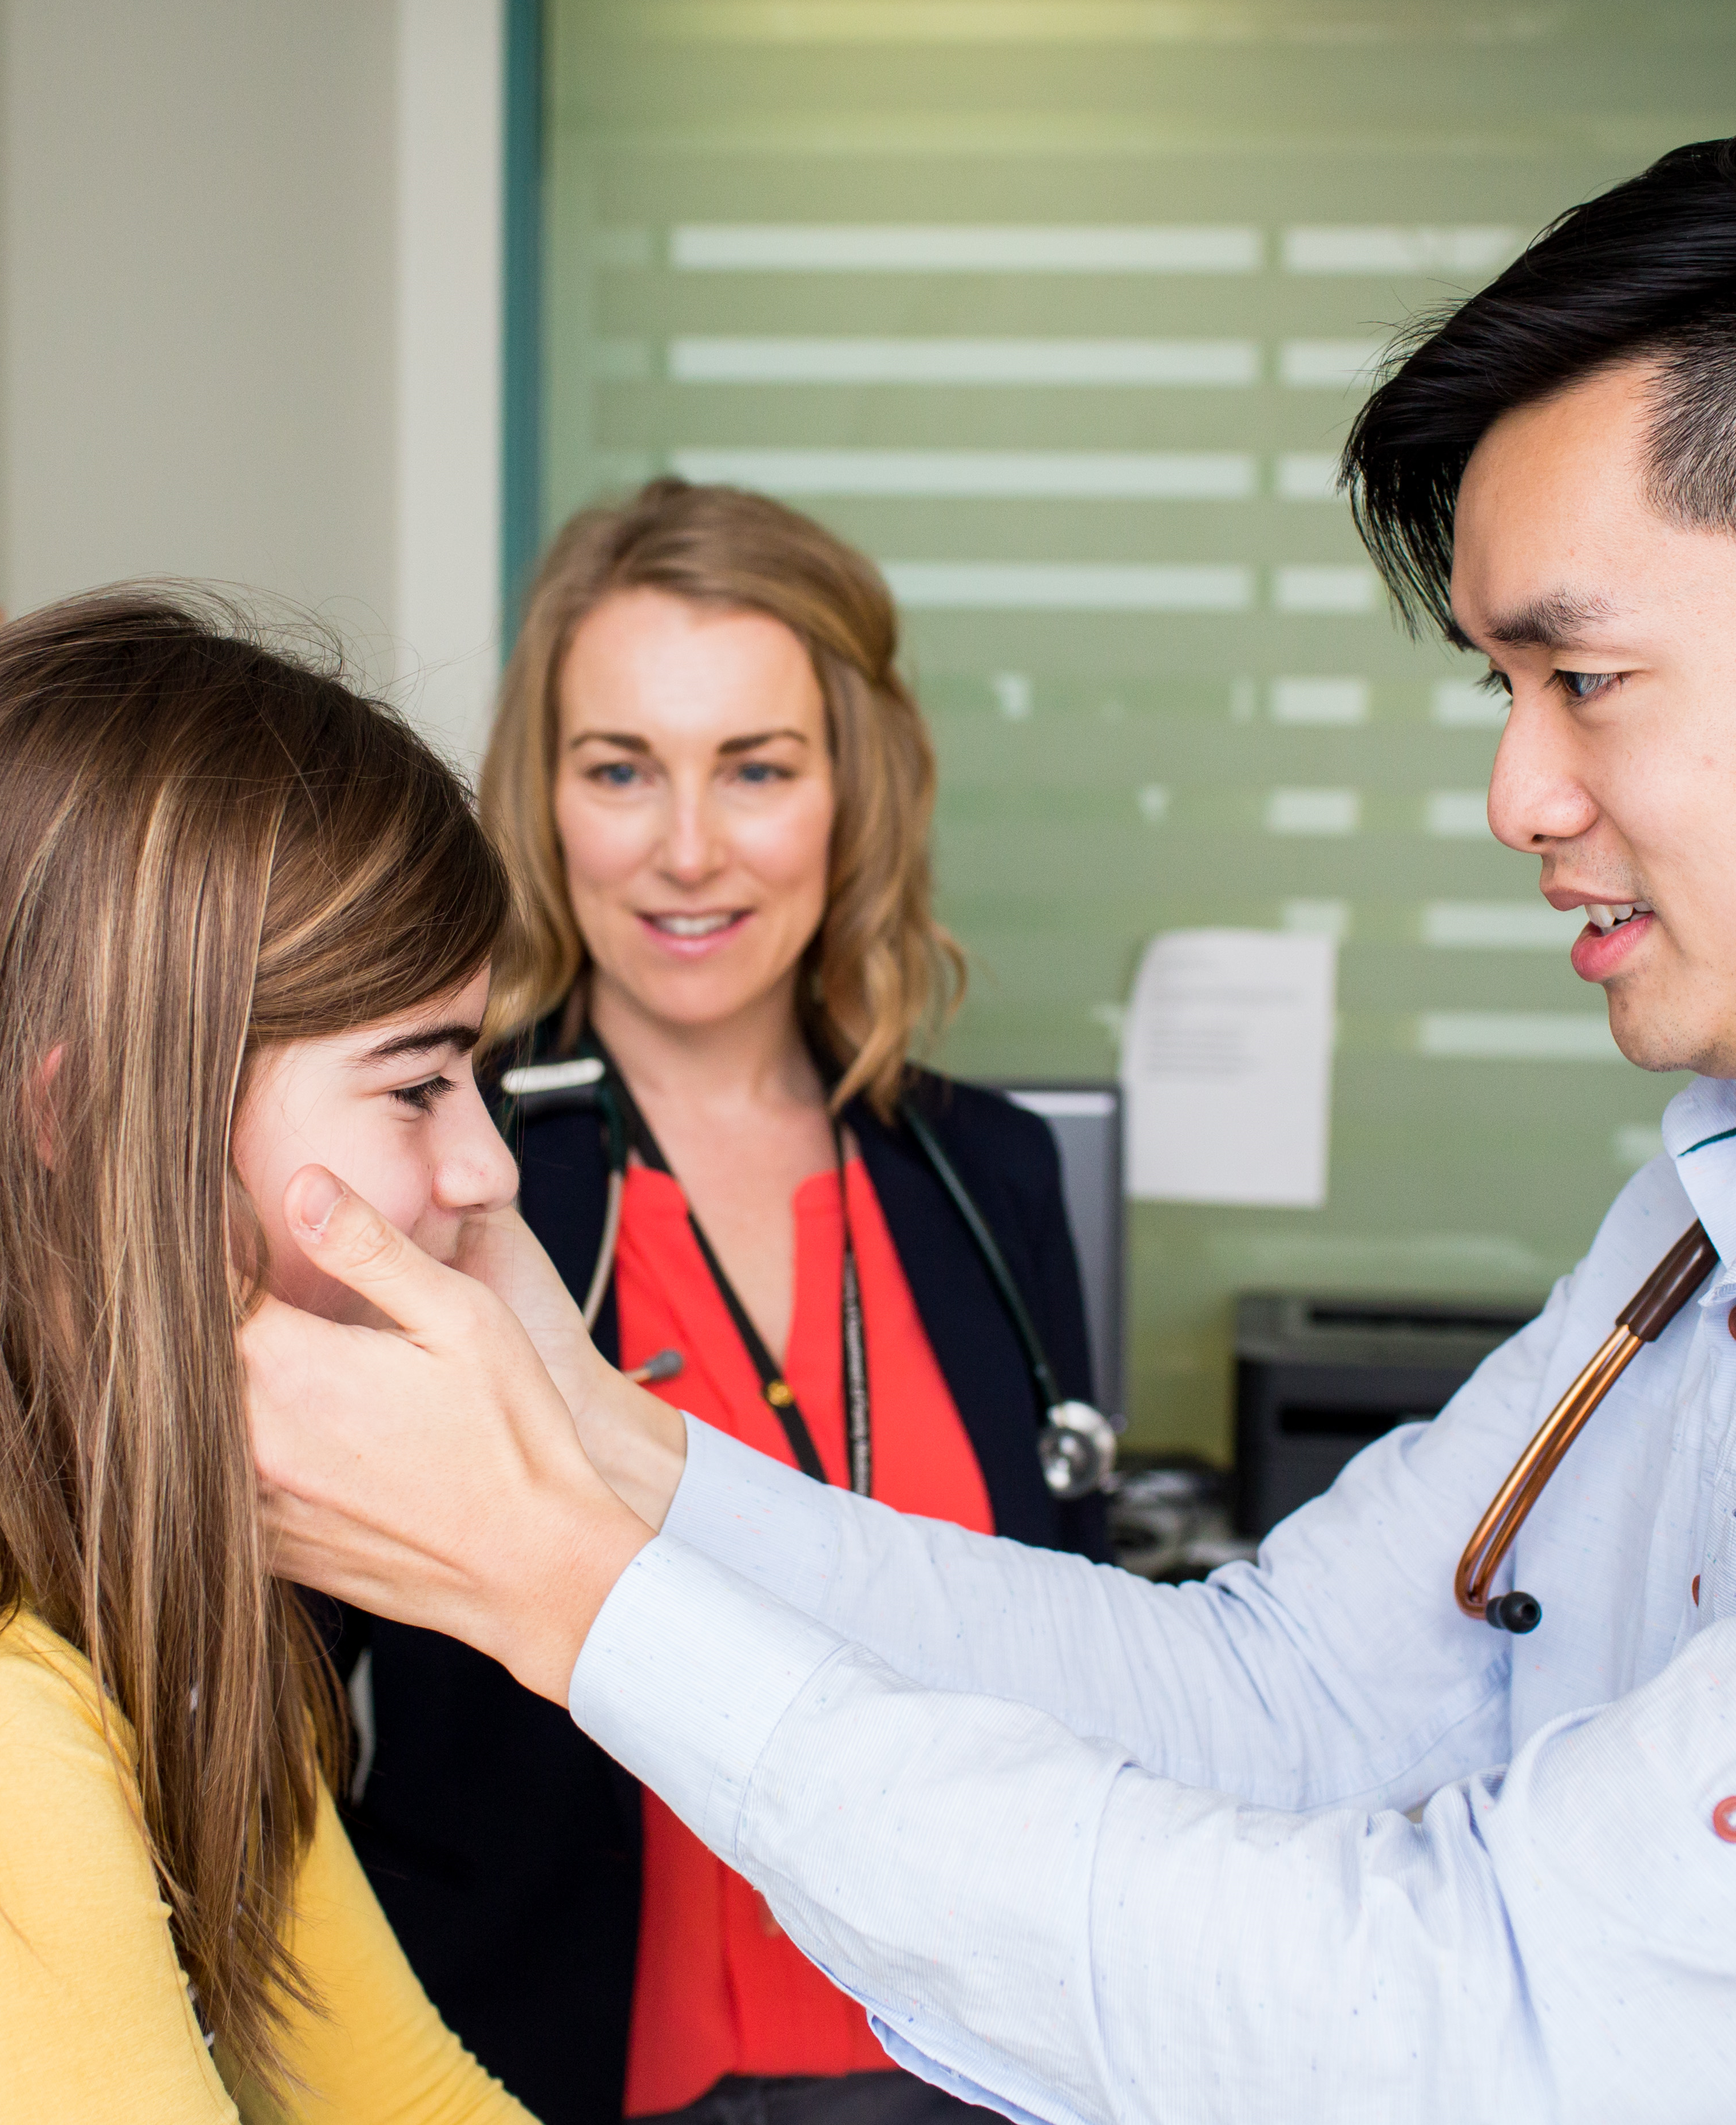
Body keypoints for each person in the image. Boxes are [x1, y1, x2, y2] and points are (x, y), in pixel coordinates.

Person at [248, 137, 1736, 2122]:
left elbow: (1468, 2016)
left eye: (1584, 677)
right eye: (1498, 685)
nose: (1515, 794)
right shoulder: (1679, 1235)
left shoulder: (980, 1168)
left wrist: (568, 1577)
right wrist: (596, 1441)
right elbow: (1260, 1699)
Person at [338, 478, 1104, 2125]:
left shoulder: (991, 1180)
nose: (688, 850)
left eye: (756, 770)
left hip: (972, 2067)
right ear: (543, 799)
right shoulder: (441, 1172)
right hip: (539, 2066)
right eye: (621, 770)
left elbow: (1086, 1661)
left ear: (854, 793)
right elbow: (258, 1710)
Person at [0, 590, 557, 2122]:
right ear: (92, 1121)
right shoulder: (18, 1738)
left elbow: (402, 2096)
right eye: (417, 1086)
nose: (486, 1169)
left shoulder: (178, 1607)